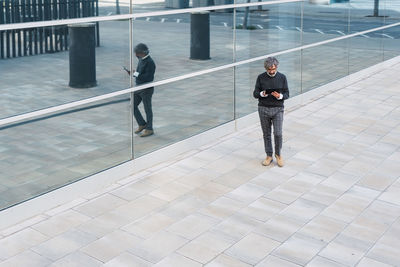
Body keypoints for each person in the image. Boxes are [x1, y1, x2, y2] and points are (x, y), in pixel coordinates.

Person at [253, 57, 289, 167]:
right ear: (266, 68)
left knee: (278, 133)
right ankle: (269, 155)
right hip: (263, 108)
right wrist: (261, 94)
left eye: (273, 69)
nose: (272, 71)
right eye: (269, 69)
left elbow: (287, 94)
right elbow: (255, 93)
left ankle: (278, 154)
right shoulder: (260, 77)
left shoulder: (282, 77)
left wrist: (280, 96)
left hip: (278, 109)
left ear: (276, 67)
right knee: (266, 134)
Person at [125, 43, 156, 137]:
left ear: (142, 53)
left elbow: (148, 78)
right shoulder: (141, 59)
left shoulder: (150, 62)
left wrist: (135, 74)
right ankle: (142, 124)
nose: (136, 55)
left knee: (148, 109)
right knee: (132, 105)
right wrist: (134, 72)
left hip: (146, 89)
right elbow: (140, 72)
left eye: (137, 53)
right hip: (138, 87)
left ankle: (149, 129)